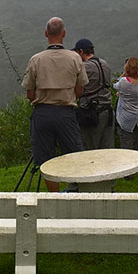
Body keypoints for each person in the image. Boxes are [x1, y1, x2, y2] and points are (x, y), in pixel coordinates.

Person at [22, 17, 88, 192]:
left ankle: (54, 196)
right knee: (74, 155)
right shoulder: (74, 58)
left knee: (45, 159)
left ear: (46, 34)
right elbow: (80, 89)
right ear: (64, 34)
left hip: (42, 113)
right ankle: (75, 191)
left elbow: (29, 93)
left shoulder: (36, 59)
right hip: (66, 112)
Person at [73, 38, 114, 150]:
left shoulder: (84, 67)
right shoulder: (105, 64)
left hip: (91, 114)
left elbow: (77, 88)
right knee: (106, 149)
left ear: (81, 51)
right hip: (108, 111)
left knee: (90, 149)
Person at [113, 56, 138, 179]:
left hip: (126, 118)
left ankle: (128, 173)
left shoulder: (124, 82)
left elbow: (115, 86)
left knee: (127, 146)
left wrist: (124, 74)